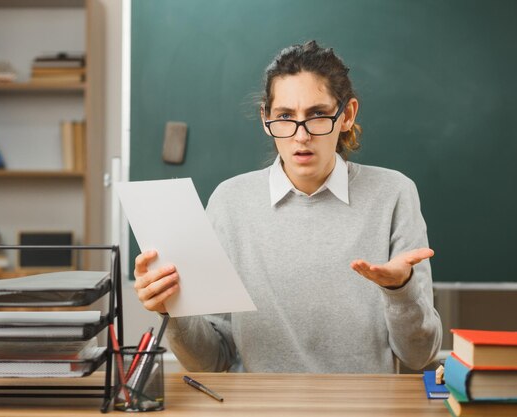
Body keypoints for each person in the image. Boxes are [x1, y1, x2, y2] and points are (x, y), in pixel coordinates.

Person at [134, 40, 442, 373]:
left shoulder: (393, 193)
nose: (301, 136)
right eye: (285, 116)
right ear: (265, 118)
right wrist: (174, 310)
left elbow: (419, 356)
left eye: (318, 115)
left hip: (360, 406)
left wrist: (400, 290)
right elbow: (212, 360)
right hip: (261, 407)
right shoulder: (230, 202)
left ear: (347, 115)